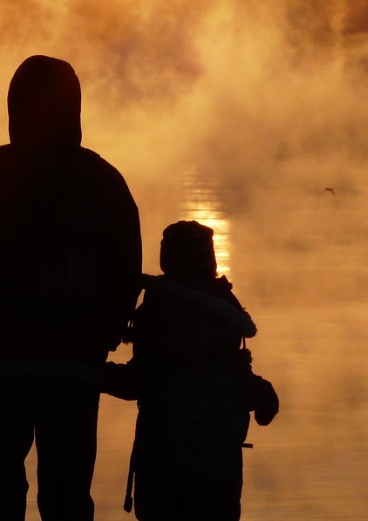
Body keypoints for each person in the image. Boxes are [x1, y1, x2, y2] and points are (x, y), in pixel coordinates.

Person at [0, 55, 142, 521]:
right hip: (73, 371)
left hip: (2, 368)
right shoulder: (103, 181)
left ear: (16, 109)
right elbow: (126, 273)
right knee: (68, 495)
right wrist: (105, 334)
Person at [105, 220, 278, 521]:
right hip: (217, 474)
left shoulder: (156, 311)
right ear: (210, 262)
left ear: (166, 261)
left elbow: (135, 382)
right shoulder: (226, 316)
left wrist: (93, 374)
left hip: (160, 470)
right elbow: (252, 389)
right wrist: (263, 399)